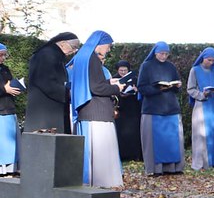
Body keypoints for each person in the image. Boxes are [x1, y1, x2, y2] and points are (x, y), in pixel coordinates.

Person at [69, 30, 125, 187]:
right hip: (97, 112)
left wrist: (109, 83)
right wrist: (117, 89)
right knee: (100, 151)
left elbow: (90, 84)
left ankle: (89, 180)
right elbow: (96, 88)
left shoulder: (82, 56)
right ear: (100, 43)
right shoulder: (92, 59)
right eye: (108, 46)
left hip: (86, 110)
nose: (108, 50)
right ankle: (102, 182)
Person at [137, 41, 186, 175]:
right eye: (161, 53)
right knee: (155, 141)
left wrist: (177, 86)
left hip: (171, 107)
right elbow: (141, 87)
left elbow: (178, 86)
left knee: (172, 139)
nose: (164, 56)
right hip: (153, 108)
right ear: (155, 52)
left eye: (166, 54)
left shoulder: (171, 67)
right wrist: (158, 89)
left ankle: (172, 167)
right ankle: (156, 169)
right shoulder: (146, 66)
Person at [24, 31, 79, 133]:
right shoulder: (46, 54)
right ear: (63, 43)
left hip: (51, 105)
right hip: (45, 108)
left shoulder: (54, 55)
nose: (74, 51)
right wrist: (67, 93)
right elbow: (46, 81)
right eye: (73, 47)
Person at [186, 47, 214, 169]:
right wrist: (201, 94)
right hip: (202, 105)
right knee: (203, 134)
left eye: (213, 61)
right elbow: (190, 89)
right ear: (203, 58)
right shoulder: (194, 70)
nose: (211, 63)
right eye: (209, 60)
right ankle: (204, 163)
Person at [113, 59, 143, 162]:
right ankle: (122, 155)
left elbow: (140, 91)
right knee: (121, 132)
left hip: (132, 108)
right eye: (121, 70)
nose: (123, 73)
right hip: (121, 109)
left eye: (125, 70)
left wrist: (136, 91)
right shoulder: (114, 79)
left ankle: (134, 154)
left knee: (133, 132)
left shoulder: (134, 79)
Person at [0, 44, 22, 175]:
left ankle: (11, 168)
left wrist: (15, 87)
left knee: (11, 143)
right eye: (0, 55)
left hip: (9, 108)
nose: (3, 58)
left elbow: (9, 83)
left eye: (4, 55)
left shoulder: (5, 68)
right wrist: (4, 89)